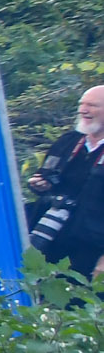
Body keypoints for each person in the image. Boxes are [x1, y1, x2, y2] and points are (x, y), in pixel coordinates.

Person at [25, 84, 104, 279]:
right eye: (81, 104)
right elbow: (46, 174)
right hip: (52, 236)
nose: (83, 110)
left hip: (91, 248)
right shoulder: (69, 141)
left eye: (92, 105)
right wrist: (40, 184)